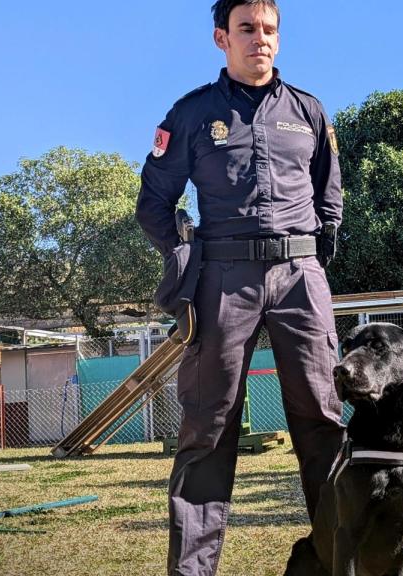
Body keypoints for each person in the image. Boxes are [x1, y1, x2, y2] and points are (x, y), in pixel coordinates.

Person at [135, 1, 345, 573]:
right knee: (208, 424)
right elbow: (153, 202)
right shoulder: (193, 114)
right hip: (224, 281)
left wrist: (314, 262)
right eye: (247, 29)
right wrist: (184, 255)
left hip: (301, 278)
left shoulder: (308, 111)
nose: (261, 40)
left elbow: (329, 196)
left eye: (269, 29)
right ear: (221, 38)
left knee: (323, 418)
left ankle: (338, 562)